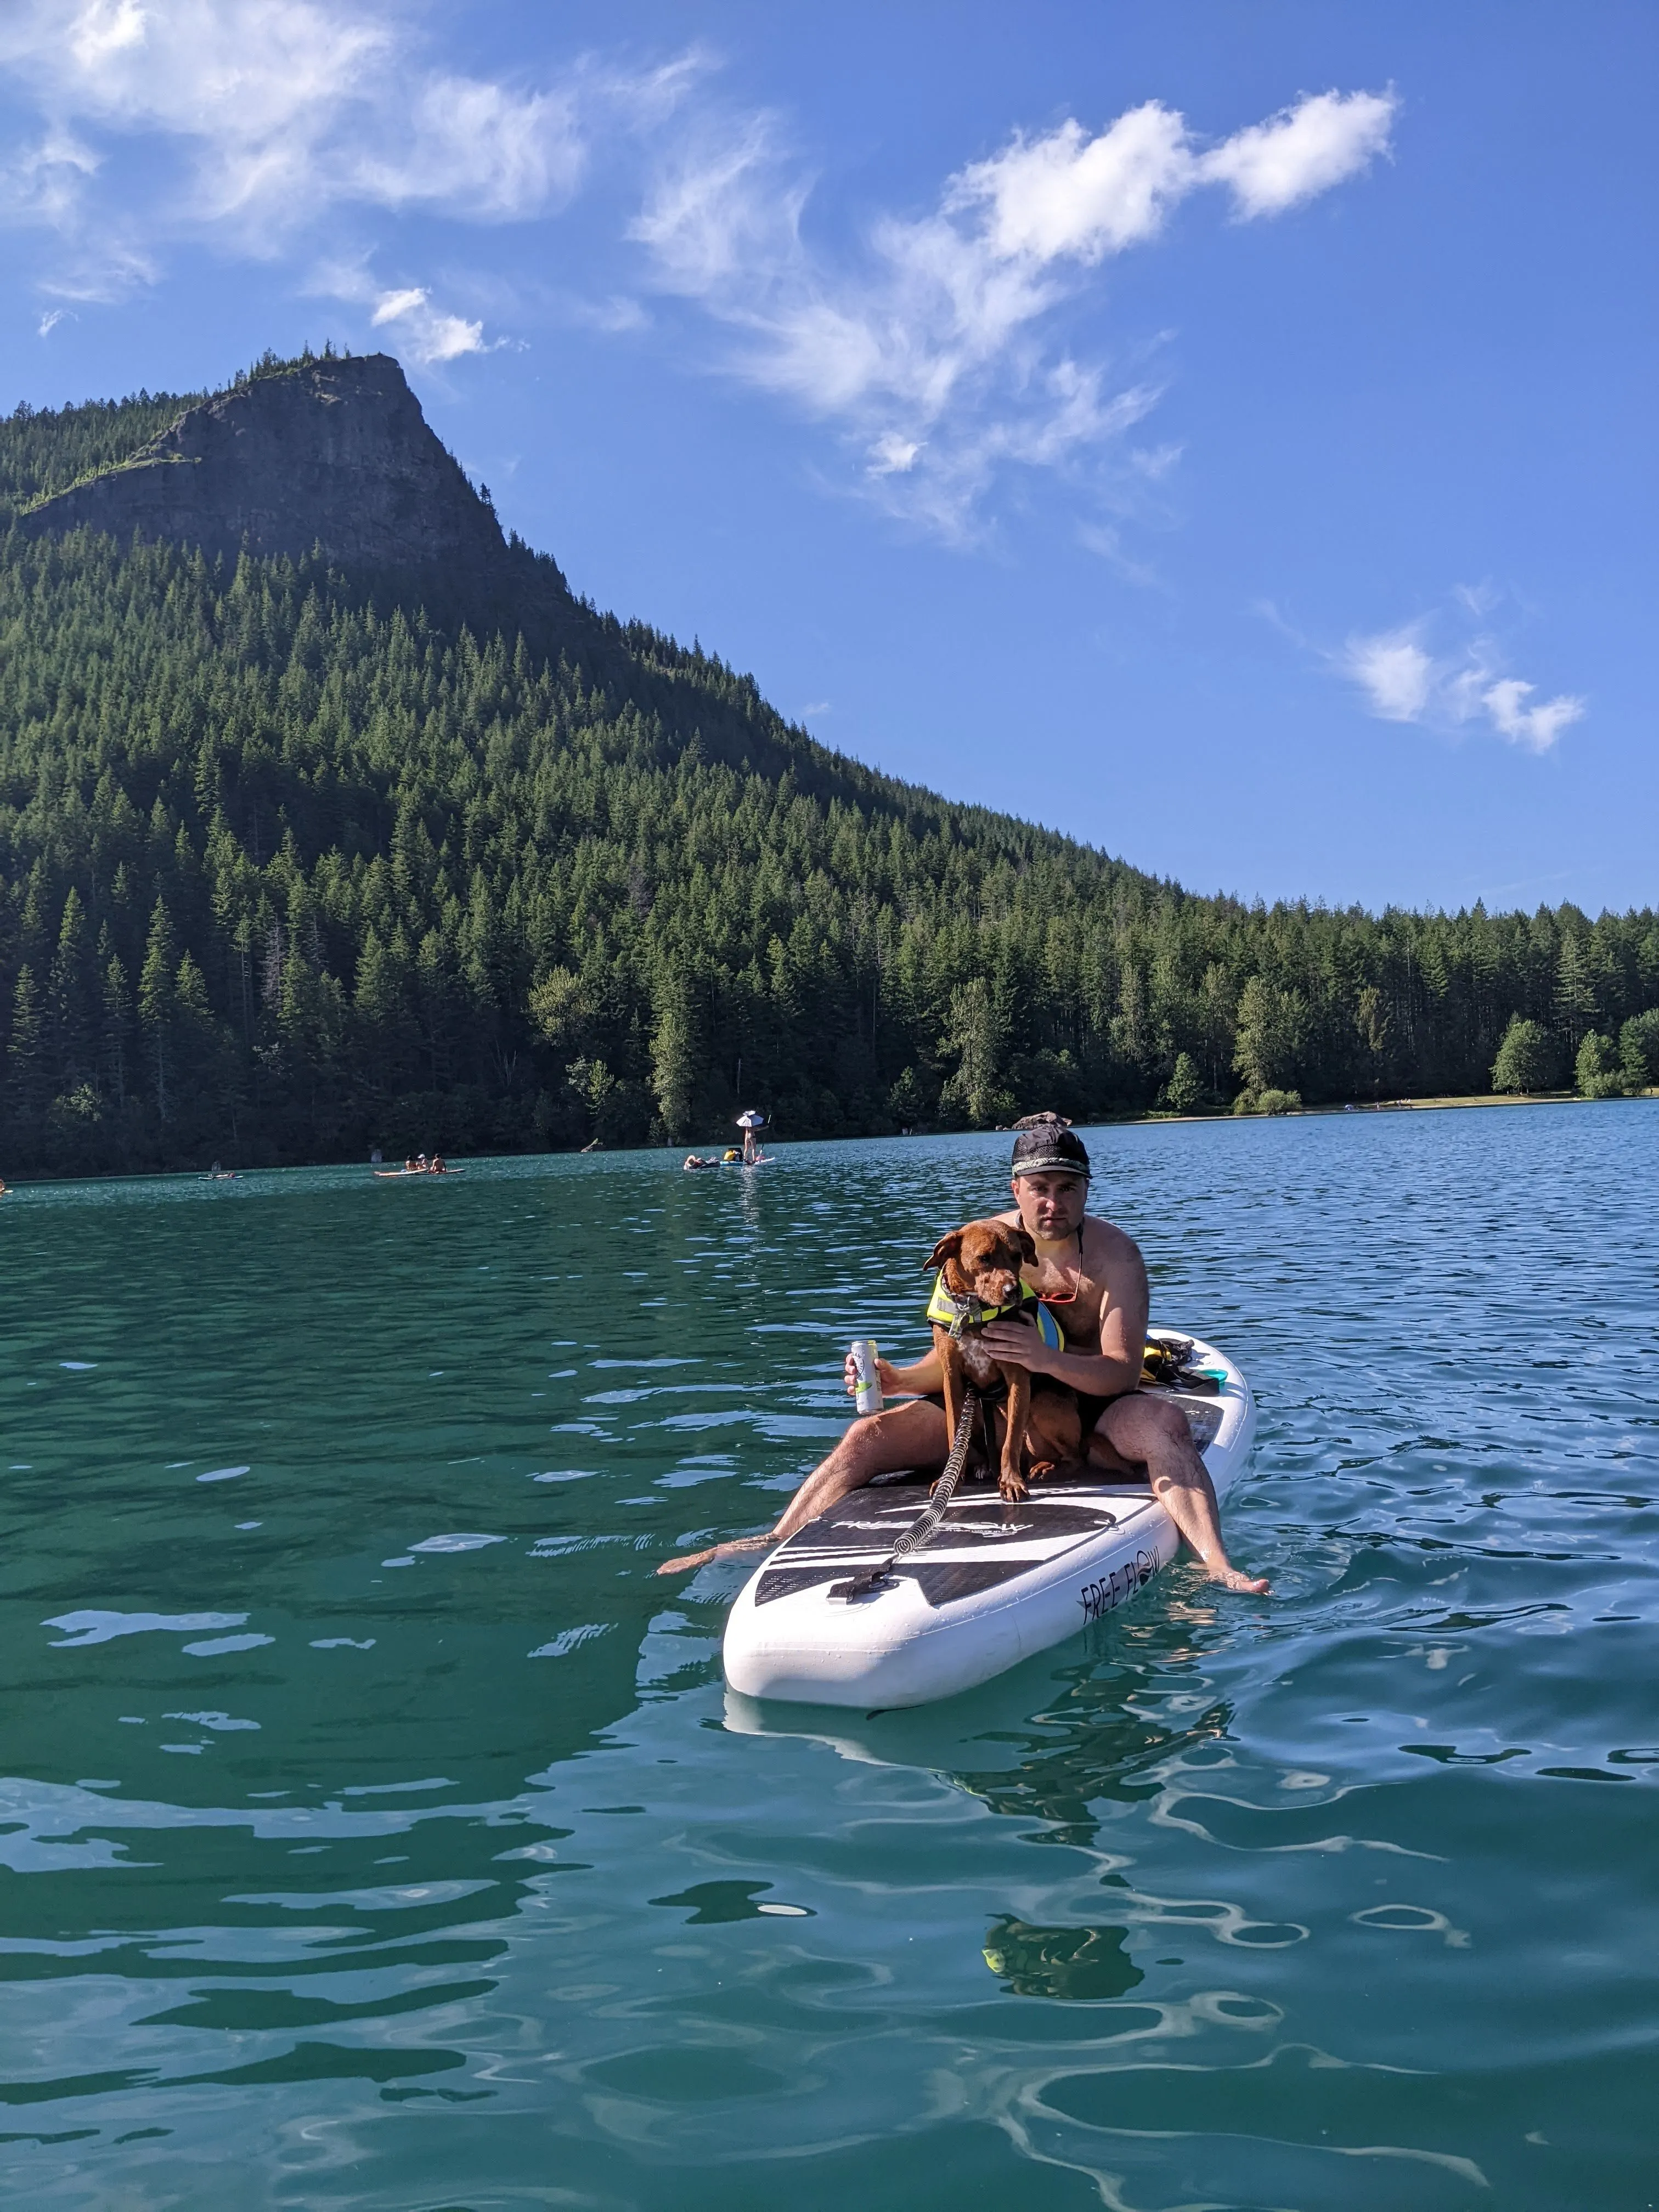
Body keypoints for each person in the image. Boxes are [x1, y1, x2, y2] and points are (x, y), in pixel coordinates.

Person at [659, 1122, 1268, 1593]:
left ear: (1086, 1189)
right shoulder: (977, 1246)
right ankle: (777, 1538)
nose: (1052, 1202)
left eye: (1067, 1188)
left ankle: (1216, 1564)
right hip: (992, 1404)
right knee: (865, 1436)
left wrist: (1044, 1358)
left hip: (1088, 1401)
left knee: (1164, 1425)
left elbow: (1115, 1370)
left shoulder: (1116, 1259)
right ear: (1016, 1190)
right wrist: (896, 1379)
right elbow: (954, 1364)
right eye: (1039, 1188)